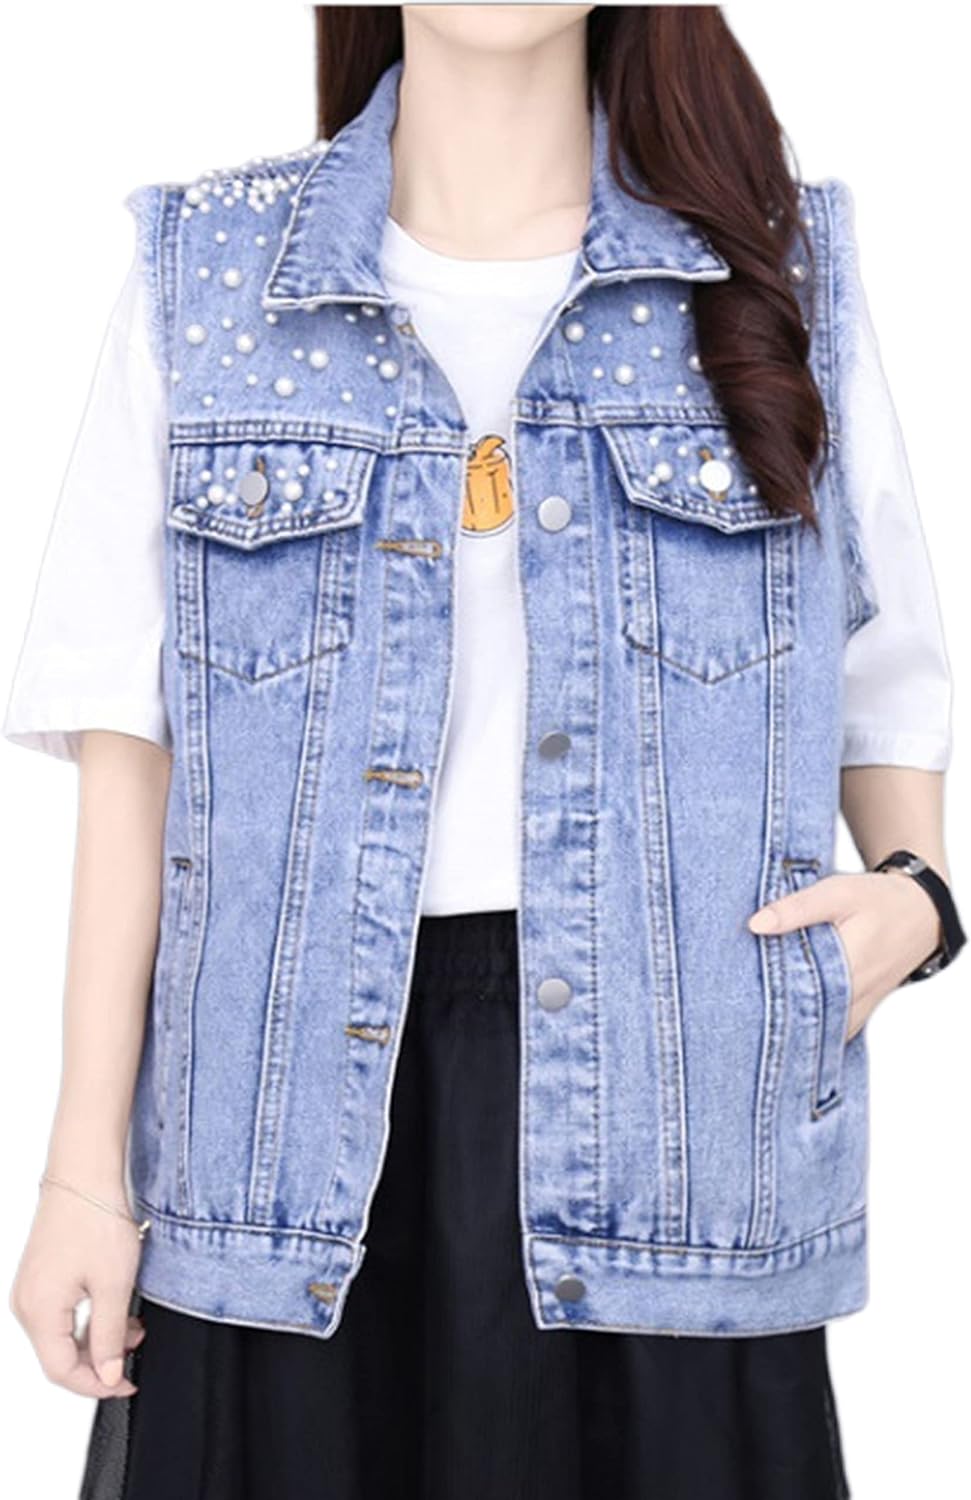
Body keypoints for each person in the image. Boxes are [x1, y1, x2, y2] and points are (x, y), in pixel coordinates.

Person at [3, 7, 962, 1499]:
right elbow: (136, 751)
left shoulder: (779, 265)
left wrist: (920, 897)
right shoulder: (211, 270)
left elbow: (881, 665)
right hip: (279, 1134)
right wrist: (81, 1170)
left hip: (678, 1127)